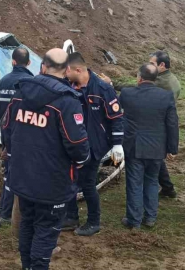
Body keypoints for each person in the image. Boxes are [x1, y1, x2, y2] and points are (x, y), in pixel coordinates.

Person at [2, 48, 91, 270]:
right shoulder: (67, 100)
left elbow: (6, 129)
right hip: (53, 181)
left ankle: (27, 266)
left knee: (28, 224)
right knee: (46, 230)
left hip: (22, 176)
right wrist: (81, 160)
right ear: (67, 69)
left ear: (42, 66)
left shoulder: (19, 93)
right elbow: (78, 143)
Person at [62, 52, 125, 236]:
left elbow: (116, 118)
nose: (65, 74)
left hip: (94, 145)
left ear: (78, 70)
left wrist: (117, 144)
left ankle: (93, 221)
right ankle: (71, 216)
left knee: (87, 184)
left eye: (67, 70)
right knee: (70, 181)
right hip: (74, 144)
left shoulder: (102, 89)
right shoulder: (68, 86)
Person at [119, 63, 179, 229]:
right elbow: (172, 123)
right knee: (152, 181)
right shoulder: (166, 96)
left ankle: (134, 220)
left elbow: (116, 114)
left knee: (134, 183)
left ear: (139, 77)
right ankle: (150, 218)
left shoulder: (127, 93)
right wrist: (172, 148)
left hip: (134, 147)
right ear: (155, 78)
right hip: (157, 148)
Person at [0, 47, 34, 225]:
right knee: (15, 176)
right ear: (29, 63)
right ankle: (6, 214)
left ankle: (3, 210)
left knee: (8, 173)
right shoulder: (32, 83)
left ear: (13, 61)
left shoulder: (3, 81)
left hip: (6, 134)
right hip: (23, 138)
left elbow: (2, 113)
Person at [149, 51, 181, 199]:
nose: (150, 67)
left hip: (157, 124)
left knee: (154, 159)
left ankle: (164, 188)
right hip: (163, 122)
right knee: (157, 159)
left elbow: (140, 88)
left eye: (152, 64)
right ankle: (168, 187)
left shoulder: (161, 82)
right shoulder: (171, 78)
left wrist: (113, 84)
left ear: (162, 65)